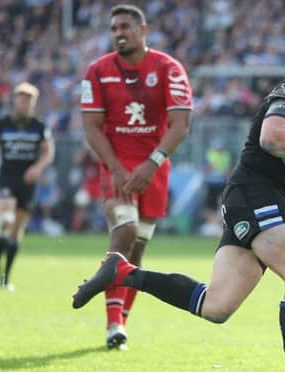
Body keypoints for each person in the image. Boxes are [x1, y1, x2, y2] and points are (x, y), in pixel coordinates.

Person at [73, 22, 285, 372]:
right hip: (256, 194)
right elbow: (271, 137)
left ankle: (124, 272)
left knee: (216, 307)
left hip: (252, 198)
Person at [79, 4, 192, 350]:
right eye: (114, 28)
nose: (118, 33)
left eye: (125, 26)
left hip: (153, 167)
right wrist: (115, 168)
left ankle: (121, 322)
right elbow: (91, 127)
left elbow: (180, 125)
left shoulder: (168, 68)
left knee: (138, 250)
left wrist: (152, 162)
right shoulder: (97, 72)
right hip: (115, 166)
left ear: (143, 31)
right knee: (124, 232)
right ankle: (113, 325)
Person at [0, 82, 55, 289]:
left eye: (28, 99)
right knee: (5, 220)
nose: (23, 102)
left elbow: (49, 152)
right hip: (6, 179)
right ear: (14, 100)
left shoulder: (39, 126)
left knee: (16, 231)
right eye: (20, 98)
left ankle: (5, 278)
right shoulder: (3, 124)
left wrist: (38, 168)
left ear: (33, 102)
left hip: (27, 184)